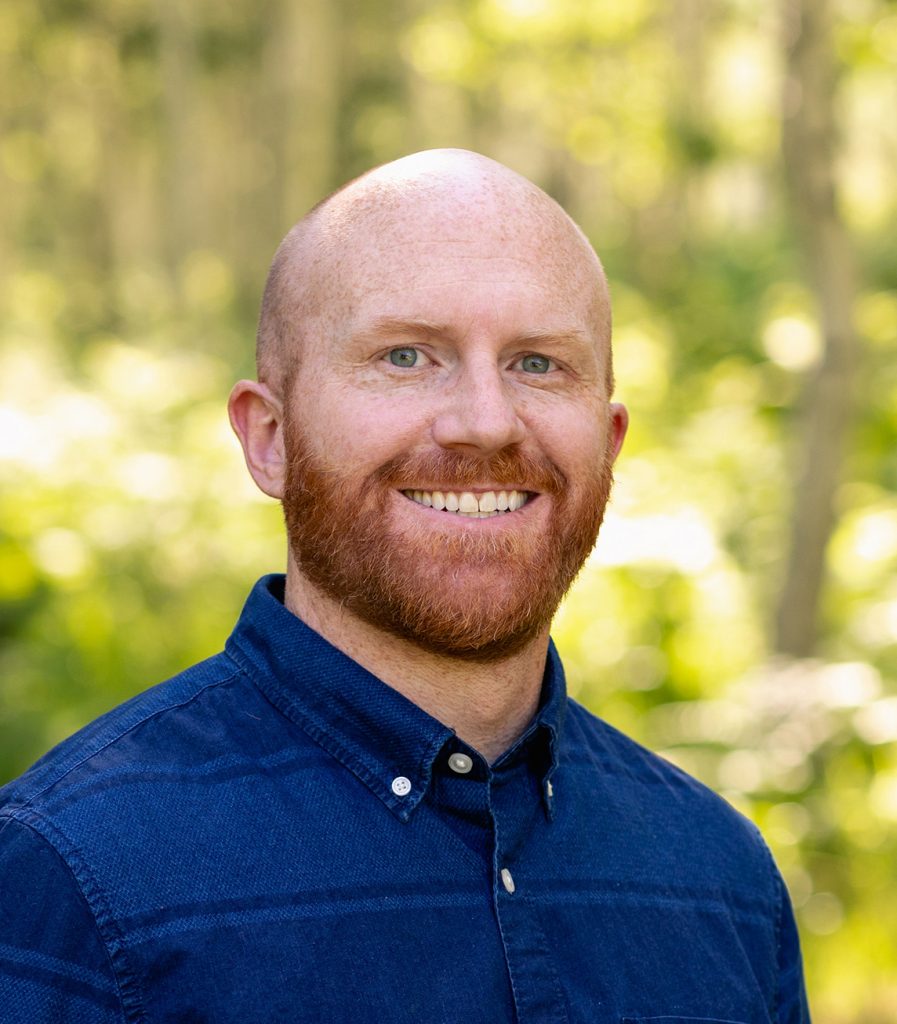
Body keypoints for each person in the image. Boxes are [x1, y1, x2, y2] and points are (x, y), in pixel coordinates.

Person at [0, 149, 810, 1023]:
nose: (486, 422)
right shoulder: (74, 874)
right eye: (406, 356)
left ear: (608, 441)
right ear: (269, 437)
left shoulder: (722, 880)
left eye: (538, 364)